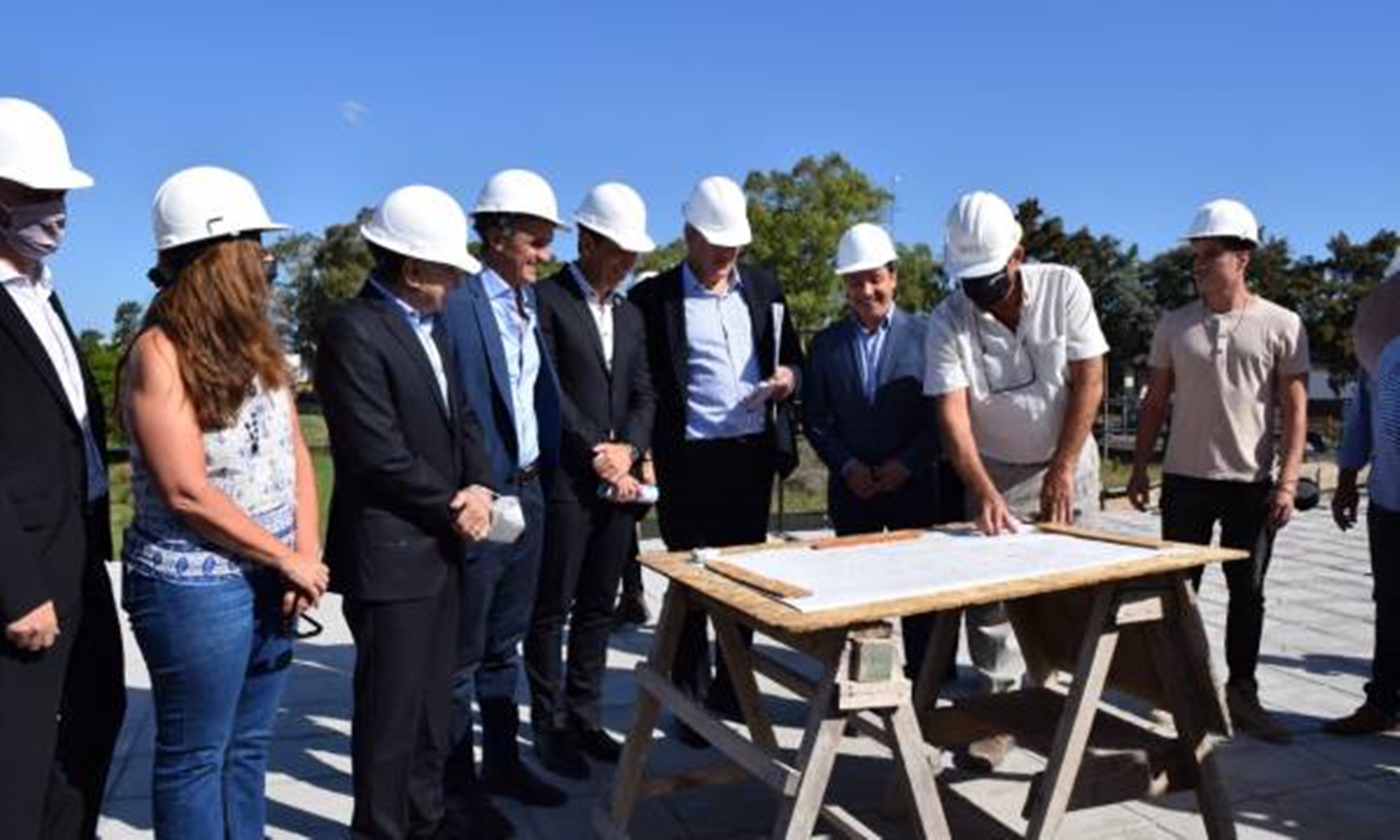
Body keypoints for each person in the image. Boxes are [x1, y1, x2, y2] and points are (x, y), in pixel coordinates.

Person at [119, 166, 329, 837]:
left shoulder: (256, 340)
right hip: (195, 589)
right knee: (195, 757)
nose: (269, 261)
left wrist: (305, 551)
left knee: (247, 748)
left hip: (272, 570)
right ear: (221, 256)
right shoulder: (159, 352)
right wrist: (283, 557)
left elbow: (293, 449)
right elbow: (186, 490)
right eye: (259, 248)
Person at [316, 185, 495, 839]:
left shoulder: (435, 330)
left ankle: (427, 821)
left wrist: (480, 488)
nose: (454, 281)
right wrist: (454, 503)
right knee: (391, 718)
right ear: (413, 268)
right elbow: (376, 452)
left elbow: (464, 422)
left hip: (442, 548)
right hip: (391, 558)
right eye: (446, 269)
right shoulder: (353, 331)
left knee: (430, 712)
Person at [923, 191, 1108, 768]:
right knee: (991, 605)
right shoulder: (948, 317)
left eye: (990, 278)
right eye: (968, 281)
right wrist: (983, 490)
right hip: (992, 468)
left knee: (1075, 597)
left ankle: (1068, 714)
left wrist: (1062, 467)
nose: (980, 293)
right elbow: (952, 415)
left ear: (1018, 256)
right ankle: (998, 716)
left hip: (1067, 462)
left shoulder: (1065, 287)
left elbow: (1089, 380)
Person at [629, 175, 803, 744]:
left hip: (750, 457)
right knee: (691, 587)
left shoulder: (763, 288)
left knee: (744, 583)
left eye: (735, 245)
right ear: (688, 235)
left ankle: (734, 686)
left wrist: (786, 379)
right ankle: (688, 697)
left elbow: (792, 357)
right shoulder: (654, 300)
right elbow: (645, 382)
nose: (728, 255)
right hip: (688, 462)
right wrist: (645, 454)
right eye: (717, 244)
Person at [1127, 198, 1309, 745]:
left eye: (1210, 254)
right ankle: (1176, 689)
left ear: (1243, 257)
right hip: (1185, 480)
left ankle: (1243, 693)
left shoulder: (1282, 324)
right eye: (1195, 255)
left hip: (1250, 484)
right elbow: (1156, 402)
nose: (1199, 264)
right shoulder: (1175, 325)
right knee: (1179, 591)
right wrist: (1139, 468)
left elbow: (1296, 408)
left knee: (1247, 592)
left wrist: (1287, 480)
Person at [0, 97, 125, 840]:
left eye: (63, 195)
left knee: (90, 726)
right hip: (23, 583)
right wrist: (16, 590)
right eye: (41, 193)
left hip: (78, 562)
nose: (60, 211)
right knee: (15, 767)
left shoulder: (43, 293)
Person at [441, 169, 565, 821]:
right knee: (465, 648)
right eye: (536, 242)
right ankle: (458, 789)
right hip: (483, 498)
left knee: (504, 641)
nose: (545, 256)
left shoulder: (529, 305)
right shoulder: (459, 303)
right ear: (495, 235)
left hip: (529, 492)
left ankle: (505, 765)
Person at [524, 182, 656, 779]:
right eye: (618, 250)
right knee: (553, 607)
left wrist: (630, 449)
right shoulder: (547, 301)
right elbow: (547, 386)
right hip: (567, 484)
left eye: (633, 253)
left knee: (600, 606)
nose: (627, 262)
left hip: (619, 487)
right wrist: (596, 455)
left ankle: (584, 714)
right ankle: (548, 727)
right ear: (589, 240)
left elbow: (643, 392)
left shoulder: (629, 314)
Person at [803, 222, 955, 676]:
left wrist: (907, 464)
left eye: (875, 278)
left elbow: (942, 414)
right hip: (854, 493)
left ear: (893, 276)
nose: (866, 290)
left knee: (921, 591)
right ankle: (861, 684)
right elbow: (815, 419)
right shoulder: (827, 345)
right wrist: (847, 465)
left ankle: (927, 680)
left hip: (913, 486)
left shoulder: (928, 335)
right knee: (857, 596)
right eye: (854, 281)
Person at [1324, 253, 1400, 735]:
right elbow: (1360, 417)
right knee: (1390, 601)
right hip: (1391, 502)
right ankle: (1384, 702)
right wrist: (1347, 479)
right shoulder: (1382, 351)